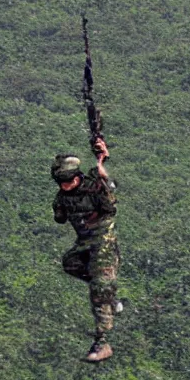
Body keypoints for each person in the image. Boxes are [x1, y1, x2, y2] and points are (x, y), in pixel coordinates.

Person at [51, 138, 120, 362]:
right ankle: (110, 294)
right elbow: (60, 218)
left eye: (68, 181)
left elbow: (110, 207)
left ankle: (102, 341)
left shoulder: (93, 185)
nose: (65, 186)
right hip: (84, 244)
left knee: (99, 287)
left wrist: (103, 173)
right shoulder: (62, 197)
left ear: (77, 177)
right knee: (70, 263)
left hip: (103, 241)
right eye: (61, 182)